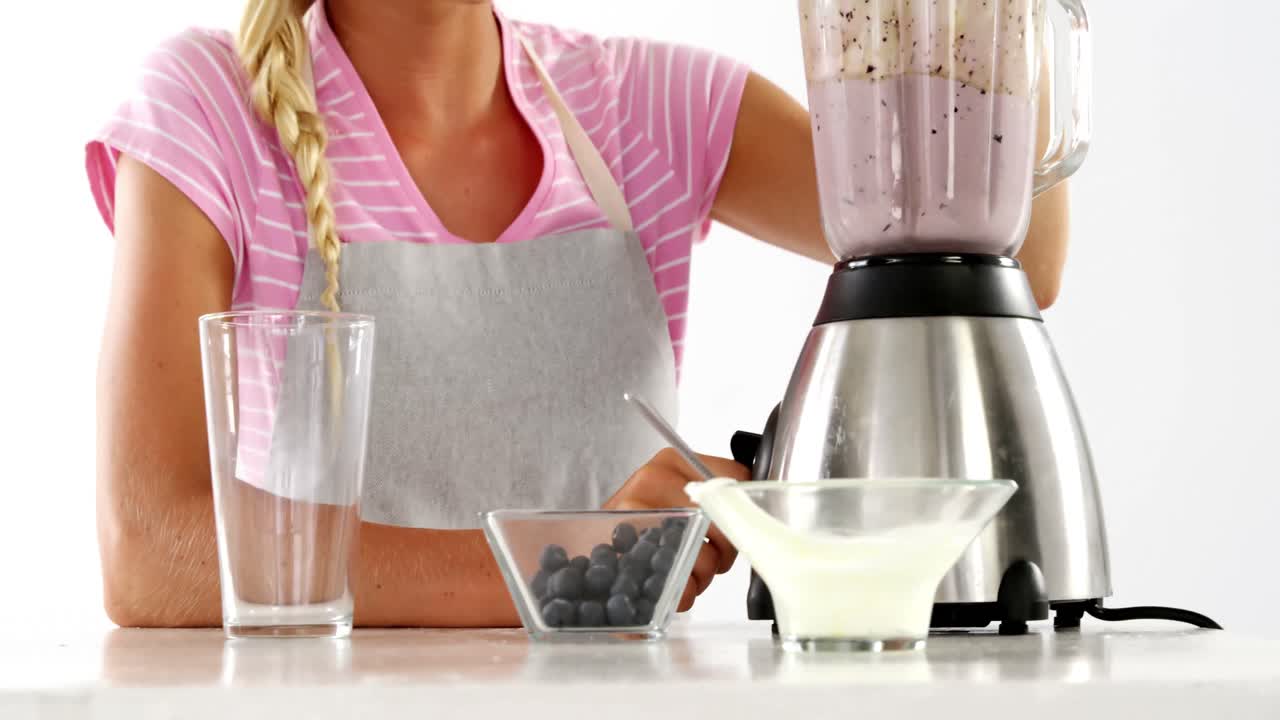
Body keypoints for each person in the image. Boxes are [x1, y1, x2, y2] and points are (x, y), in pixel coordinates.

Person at [86, 0, 1070, 627]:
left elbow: (1009, 251)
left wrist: (1012, 25)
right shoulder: (210, 107)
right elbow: (151, 552)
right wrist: (562, 571)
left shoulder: (644, 104)